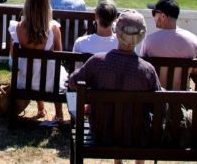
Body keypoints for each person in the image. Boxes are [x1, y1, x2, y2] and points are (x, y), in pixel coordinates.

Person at [66, 10, 162, 150]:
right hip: (136, 135)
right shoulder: (147, 70)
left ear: (116, 32)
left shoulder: (97, 62)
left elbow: (73, 82)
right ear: (141, 36)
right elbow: (158, 105)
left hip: (101, 133)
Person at [9, 0, 65, 125]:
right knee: (55, 70)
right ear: (47, 7)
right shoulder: (53, 29)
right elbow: (60, 56)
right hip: (50, 84)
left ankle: (40, 107)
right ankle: (59, 113)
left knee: (34, 68)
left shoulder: (17, 28)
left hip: (24, 82)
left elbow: (11, 57)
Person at [141, 0, 197, 89]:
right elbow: (196, 72)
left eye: (154, 13)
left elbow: (143, 70)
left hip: (156, 99)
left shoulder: (149, 40)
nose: (153, 16)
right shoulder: (193, 39)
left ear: (163, 16)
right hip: (182, 100)